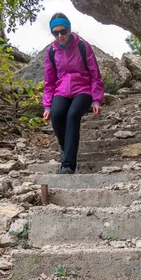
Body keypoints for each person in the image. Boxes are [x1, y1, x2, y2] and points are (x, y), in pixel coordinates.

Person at [42, 13, 105, 174]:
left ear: (69, 29)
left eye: (63, 31)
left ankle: (68, 164)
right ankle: (65, 145)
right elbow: (49, 82)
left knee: (72, 116)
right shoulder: (51, 52)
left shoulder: (83, 46)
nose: (60, 35)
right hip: (61, 90)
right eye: (55, 33)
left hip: (83, 89)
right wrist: (47, 106)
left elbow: (95, 75)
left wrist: (96, 100)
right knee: (57, 117)